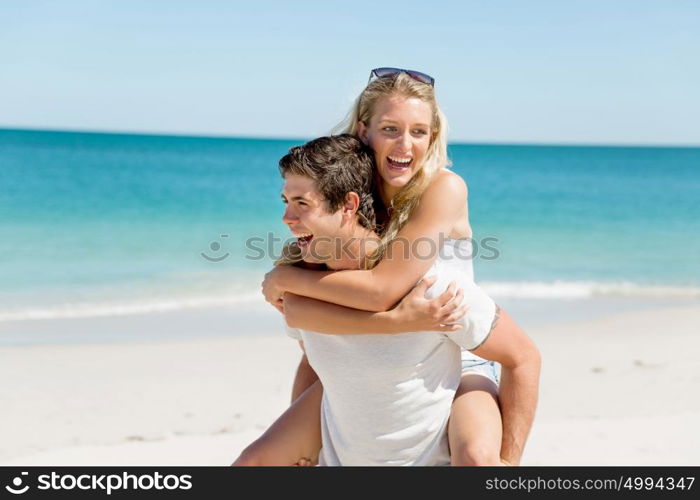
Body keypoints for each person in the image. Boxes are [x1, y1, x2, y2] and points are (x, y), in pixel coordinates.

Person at [242, 69, 541, 466]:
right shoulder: (355, 193)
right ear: (364, 131)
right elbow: (312, 335)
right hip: (371, 350)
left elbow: (383, 288)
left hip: (455, 347)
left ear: (432, 137)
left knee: (478, 455)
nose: (405, 144)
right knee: (256, 461)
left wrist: (285, 278)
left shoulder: (441, 188)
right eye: (390, 128)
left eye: (419, 132)